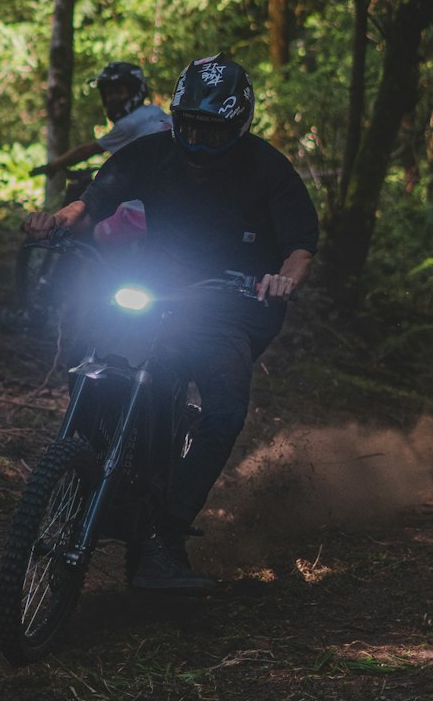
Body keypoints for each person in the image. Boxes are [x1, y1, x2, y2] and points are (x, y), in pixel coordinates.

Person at [23, 54, 319, 593]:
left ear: (240, 125)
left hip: (231, 304)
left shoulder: (268, 169)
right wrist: (54, 223)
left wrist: (285, 279)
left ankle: (165, 534)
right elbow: (90, 205)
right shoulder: (149, 153)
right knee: (93, 358)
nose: (200, 143)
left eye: (215, 132)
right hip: (154, 290)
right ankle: (88, 473)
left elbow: (300, 246)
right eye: (190, 128)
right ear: (175, 118)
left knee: (224, 408)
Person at [30, 62, 170, 182]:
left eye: (118, 92)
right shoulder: (153, 111)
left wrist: (52, 166)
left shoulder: (129, 124)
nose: (111, 99)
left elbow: (86, 151)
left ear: (134, 90)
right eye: (108, 93)